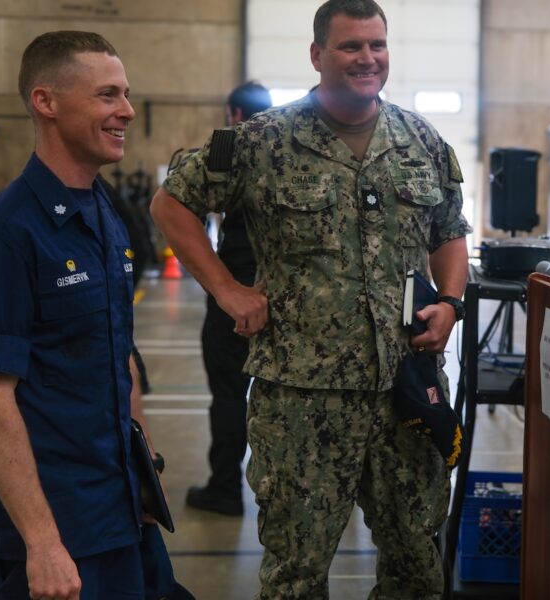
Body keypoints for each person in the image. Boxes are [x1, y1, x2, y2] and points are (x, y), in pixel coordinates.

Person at [149, 0, 471, 596]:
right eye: (351, 46)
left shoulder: (421, 138)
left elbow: (450, 232)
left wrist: (450, 302)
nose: (367, 58)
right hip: (302, 400)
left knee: (418, 567)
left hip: (406, 387)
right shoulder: (263, 140)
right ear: (318, 54)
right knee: (296, 574)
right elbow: (171, 204)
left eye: (377, 45)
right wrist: (228, 291)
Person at [0, 31, 155, 599]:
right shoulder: (4, 234)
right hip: (45, 541)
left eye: (126, 94)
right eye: (107, 95)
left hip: (114, 515)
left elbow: (116, 356)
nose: (127, 111)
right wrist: (42, 544)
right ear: (46, 102)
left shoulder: (103, 211)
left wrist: (144, 476)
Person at [185, 81, 273, 517]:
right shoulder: (287, 145)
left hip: (235, 295)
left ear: (235, 114)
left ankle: (224, 489)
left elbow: (183, 210)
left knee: (227, 396)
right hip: (286, 297)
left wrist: (221, 287)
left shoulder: (228, 149)